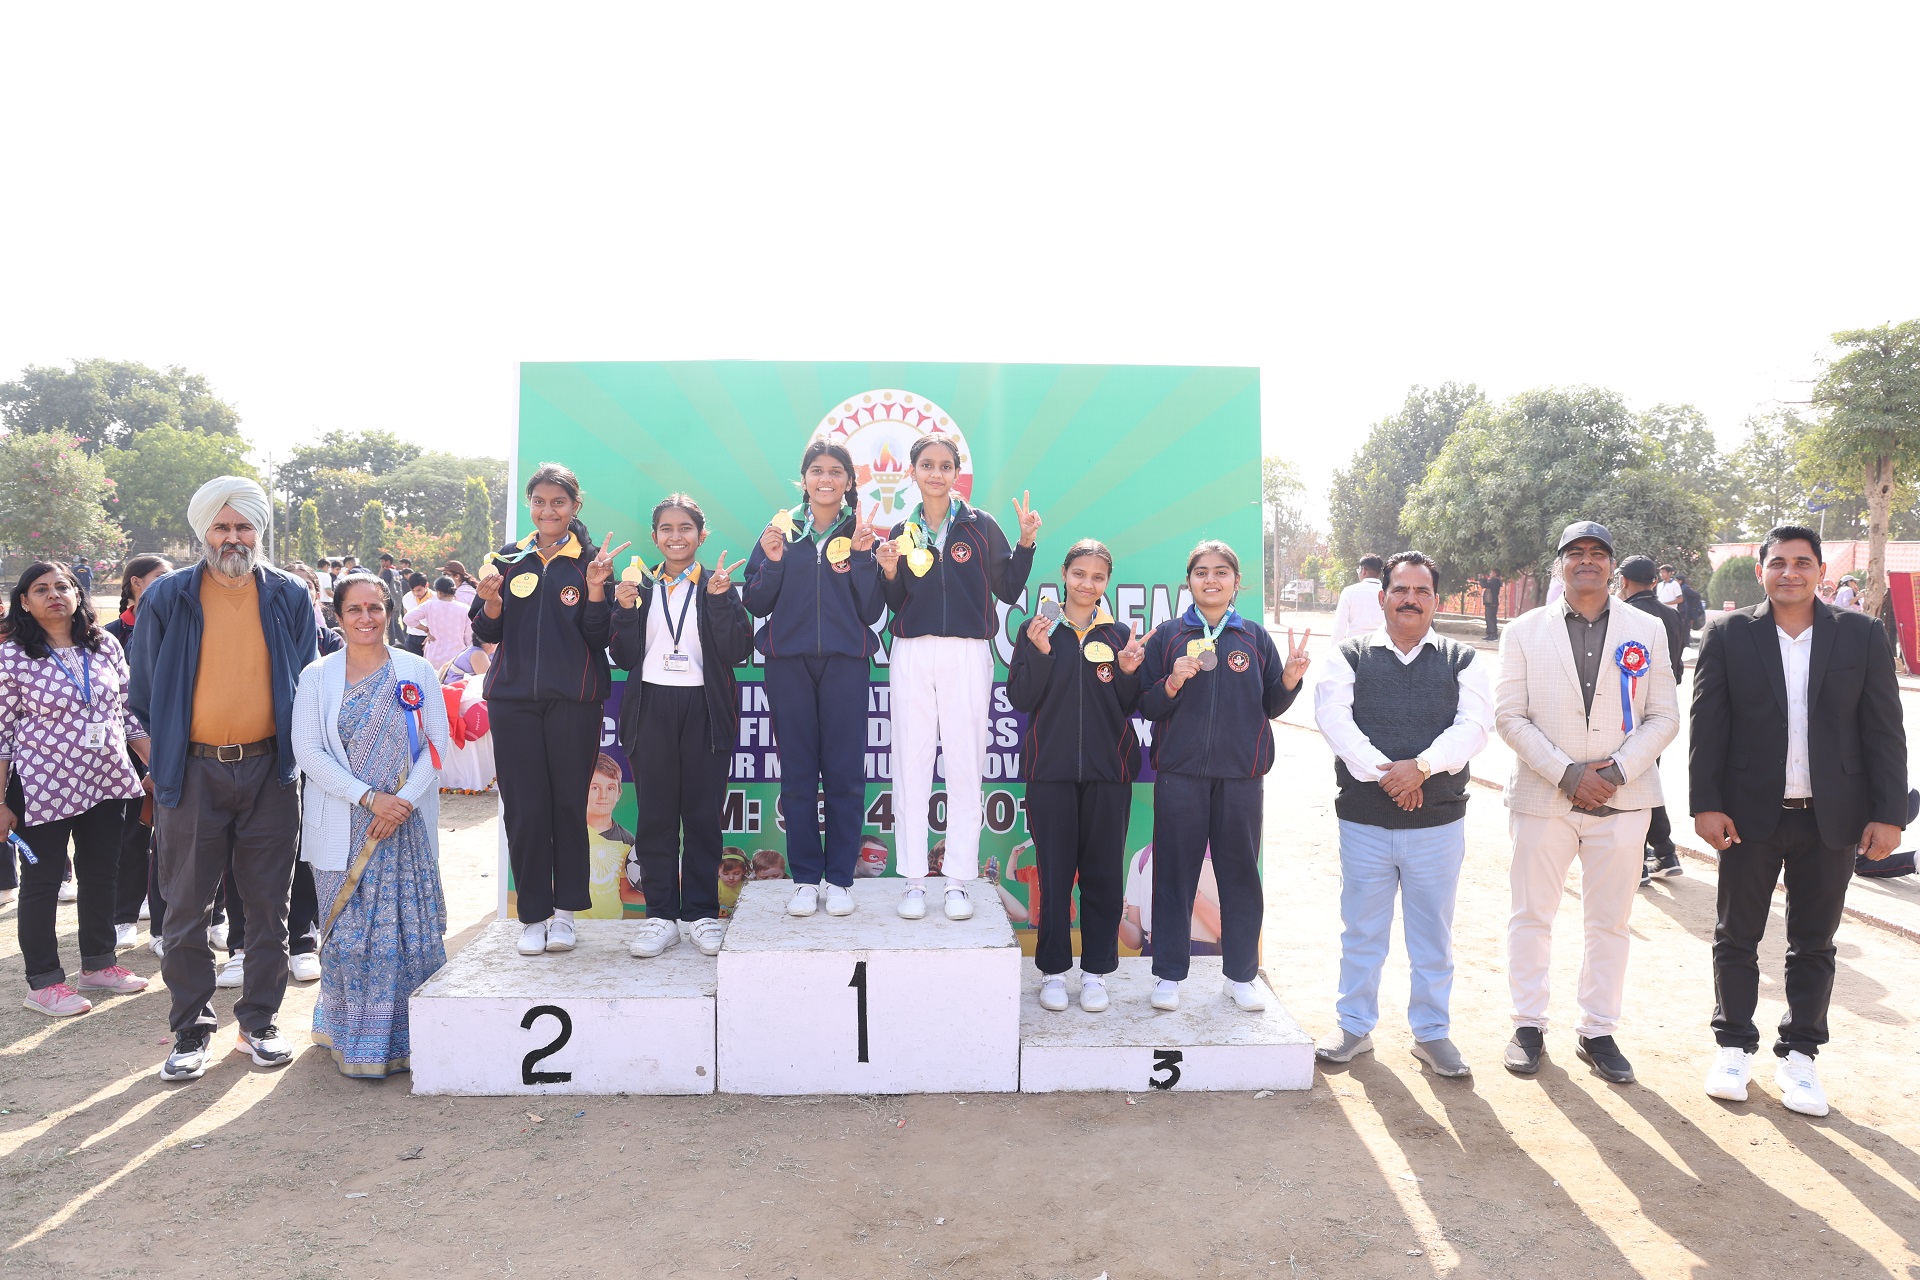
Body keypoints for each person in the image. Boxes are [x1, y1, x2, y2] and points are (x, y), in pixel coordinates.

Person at [1691, 524, 1906, 1116]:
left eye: (1802, 562)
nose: (1790, 573)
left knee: (1814, 943)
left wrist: (1889, 814)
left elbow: (1884, 730)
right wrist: (1704, 802)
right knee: (1737, 935)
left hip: (1831, 818)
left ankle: (1800, 1056)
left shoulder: (1860, 635)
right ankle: (1733, 1046)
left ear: (1821, 572)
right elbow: (1708, 724)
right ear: (1762, 569)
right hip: (1747, 815)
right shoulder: (1730, 634)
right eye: (1779, 562)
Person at [128, 476, 319, 1080]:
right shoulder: (169, 597)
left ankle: (259, 1022)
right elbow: (145, 694)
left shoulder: (289, 594)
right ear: (203, 532)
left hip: (271, 771)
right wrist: (167, 759)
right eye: (221, 527)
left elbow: (308, 681)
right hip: (191, 773)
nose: (233, 537)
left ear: (259, 531)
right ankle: (190, 1029)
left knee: (268, 907)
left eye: (243, 526)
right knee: (186, 908)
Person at [1493, 520, 1677, 1085]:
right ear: (1560, 564)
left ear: (1613, 566)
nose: (1587, 561)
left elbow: (1664, 716)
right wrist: (1567, 774)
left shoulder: (1647, 629)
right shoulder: (1523, 631)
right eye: (1576, 552)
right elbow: (1509, 716)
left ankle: (1598, 1031)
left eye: (1599, 552)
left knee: (1610, 922)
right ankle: (1528, 1024)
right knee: (1531, 915)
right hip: (1542, 796)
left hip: (1624, 799)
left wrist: (1615, 771)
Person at [1312, 551, 1492, 1076]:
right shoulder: (1349, 656)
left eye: (1421, 591)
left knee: (1432, 935)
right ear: (1382, 597)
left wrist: (1423, 767)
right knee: (1362, 930)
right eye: (1400, 590)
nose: (1410, 599)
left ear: (1436, 599)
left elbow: (1475, 726)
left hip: (1437, 824)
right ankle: (1353, 1026)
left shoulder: (1462, 659)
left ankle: (1432, 1033)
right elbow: (1333, 719)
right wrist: (1391, 775)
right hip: (1364, 822)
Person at [1138, 541, 1309, 1011]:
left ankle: (1240, 976)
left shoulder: (1254, 637)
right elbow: (1147, 704)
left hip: (1241, 777)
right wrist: (1172, 682)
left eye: (1220, 572)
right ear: (1188, 581)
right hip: (1180, 776)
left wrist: (1290, 678)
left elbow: (1271, 704)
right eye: (1201, 572)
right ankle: (1168, 975)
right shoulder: (1168, 636)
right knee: (1174, 876)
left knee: (1240, 877)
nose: (1210, 580)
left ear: (1236, 582)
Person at [290, 573, 449, 1077]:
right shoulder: (317, 676)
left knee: (410, 935)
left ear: (389, 613)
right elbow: (307, 750)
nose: (366, 618)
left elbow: (436, 744)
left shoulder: (415, 670)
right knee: (350, 938)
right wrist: (369, 798)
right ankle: (352, 1038)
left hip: (404, 826)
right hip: (344, 825)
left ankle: (417, 1038)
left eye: (375, 608)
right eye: (355, 609)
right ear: (338, 617)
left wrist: (400, 804)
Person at [878, 436, 1040, 922]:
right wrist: (889, 573)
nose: (936, 473)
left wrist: (1026, 543)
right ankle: (913, 880)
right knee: (911, 763)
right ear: (912, 472)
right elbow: (896, 602)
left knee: (966, 765)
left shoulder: (980, 524)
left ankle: (958, 881)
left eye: (945, 466)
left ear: (956, 473)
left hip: (968, 651)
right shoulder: (902, 530)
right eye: (927, 464)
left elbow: (1008, 588)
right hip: (912, 651)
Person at [471, 462, 622, 957]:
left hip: (574, 702)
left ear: (575, 506)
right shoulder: (506, 558)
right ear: (529, 505)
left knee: (567, 806)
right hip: (512, 702)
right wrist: (492, 602)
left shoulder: (593, 562)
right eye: (539, 501)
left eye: (559, 502)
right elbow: (485, 632)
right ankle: (532, 916)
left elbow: (601, 637)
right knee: (525, 808)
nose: (548, 510)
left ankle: (566, 915)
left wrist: (596, 589)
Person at [0, 563, 154, 1016]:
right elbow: (1, 734)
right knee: (43, 881)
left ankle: (99, 964)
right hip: (40, 786)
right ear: (24, 601)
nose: (54, 595)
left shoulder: (103, 645)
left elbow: (127, 712)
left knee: (102, 872)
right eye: (40, 589)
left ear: (77, 594)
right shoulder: (12, 656)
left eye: (62, 586)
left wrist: (158, 766)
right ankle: (44, 982)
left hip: (106, 779)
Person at [743, 441, 885, 918]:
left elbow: (873, 610)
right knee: (799, 776)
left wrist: (862, 557)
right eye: (817, 471)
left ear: (849, 481)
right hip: (788, 664)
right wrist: (774, 562)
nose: (826, 479)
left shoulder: (860, 532)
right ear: (803, 479)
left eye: (836, 471)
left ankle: (840, 878)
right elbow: (756, 602)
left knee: (845, 776)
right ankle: (805, 879)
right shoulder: (780, 530)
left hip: (846, 663)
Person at [611, 494, 755, 958]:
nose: (676, 537)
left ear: (701, 535)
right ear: (654, 537)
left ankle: (700, 914)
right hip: (651, 706)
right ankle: (660, 917)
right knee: (655, 817)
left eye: (686, 528)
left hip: (705, 708)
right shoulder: (639, 586)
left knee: (701, 816)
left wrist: (720, 602)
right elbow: (623, 656)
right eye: (667, 529)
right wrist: (624, 611)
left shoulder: (717, 585)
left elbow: (737, 651)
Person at [1006, 540, 1145, 1014]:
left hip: (1109, 774)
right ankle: (1051, 971)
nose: (1087, 583)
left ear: (1107, 583)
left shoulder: (1119, 634)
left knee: (1103, 878)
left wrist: (1128, 672)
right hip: (1050, 773)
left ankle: (1096, 973)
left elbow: (1129, 705)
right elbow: (1021, 698)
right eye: (1079, 573)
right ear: (1063, 574)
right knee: (1054, 876)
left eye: (1097, 577)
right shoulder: (1036, 628)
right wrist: (1041, 652)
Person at [105, 554, 172, 947]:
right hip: (130, 748)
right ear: (135, 583)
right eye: (160, 576)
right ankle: (124, 915)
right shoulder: (111, 635)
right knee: (133, 831)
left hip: (176, 744)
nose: (169, 582)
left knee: (173, 836)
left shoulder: (178, 623)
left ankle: (167, 921)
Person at [1617, 555, 1690, 885]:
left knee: (1627, 783)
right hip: (1661, 712)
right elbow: (1677, 666)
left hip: (1625, 712)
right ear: (1654, 581)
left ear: (1623, 581)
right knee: (1647, 778)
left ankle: (1640, 860)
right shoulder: (1671, 615)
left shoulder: (1623, 614)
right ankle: (1664, 851)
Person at [403, 576, 474, 671]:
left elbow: (408, 618)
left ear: (439, 593)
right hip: (457, 657)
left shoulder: (429, 605)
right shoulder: (465, 609)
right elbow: (469, 637)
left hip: (434, 655)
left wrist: (426, 629)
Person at [1330, 555, 1386, 644]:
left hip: (1355, 646)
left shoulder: (1349, 591)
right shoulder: (1388, 592)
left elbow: (1339, 627)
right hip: (1381, 644)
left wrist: (1333, 649)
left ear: (1363, 570)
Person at [1476, 571, 1503, 641]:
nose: (1490, 574)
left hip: (1492, 602)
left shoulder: (1495, 581)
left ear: (1495, 574)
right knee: (1488, 619)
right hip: (1489, 602)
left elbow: (1485, 585)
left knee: (1491, 619)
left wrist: (1481, 579)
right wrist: (1484, 579)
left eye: (1491, 572)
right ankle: (1489, 634)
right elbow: (1486, 584)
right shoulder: (1492, 581)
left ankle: (1493, 635)